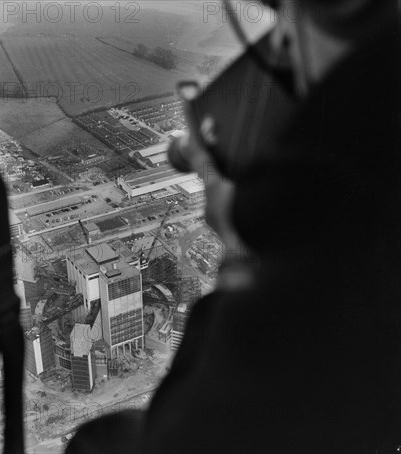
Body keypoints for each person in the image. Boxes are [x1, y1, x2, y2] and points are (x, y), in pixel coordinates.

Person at [66, 1, 400, 452]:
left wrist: (245, 252)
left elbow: (205, 434)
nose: (279, 47)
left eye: (286, 20)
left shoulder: (352, 228)